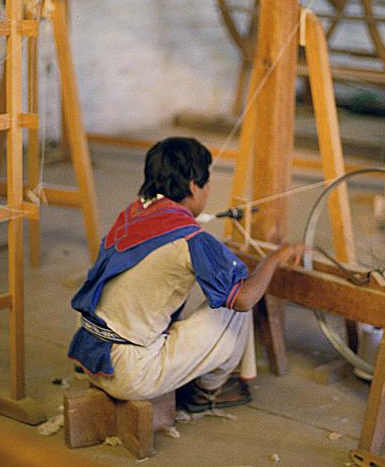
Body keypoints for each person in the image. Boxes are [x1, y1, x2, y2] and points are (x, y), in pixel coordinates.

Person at [68, 137, 305, 412]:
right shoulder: (191, 238)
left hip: (88, 352)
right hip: (129, 373)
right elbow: (243, 299)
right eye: (206, 183)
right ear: (194, 185)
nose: (206, 190)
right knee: (234, 309)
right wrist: (275, 257)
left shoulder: (133, 212)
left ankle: (167, 369)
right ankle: (208, 392)